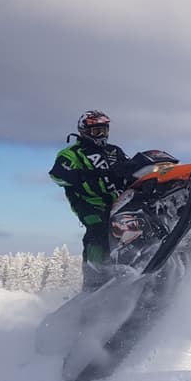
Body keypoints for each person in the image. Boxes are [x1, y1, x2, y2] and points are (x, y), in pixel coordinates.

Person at [49, 110, 129, 291]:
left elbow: (129, 169)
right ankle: (94, 278)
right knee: (99, 229)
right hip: (88, 203)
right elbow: (57, 175)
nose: (102, 135)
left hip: (119, 201)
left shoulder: (114, 151)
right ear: (85, 131)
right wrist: (84, 176)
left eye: (104, 130)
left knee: (130, 229)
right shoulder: (71, 153)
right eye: (96, 131)